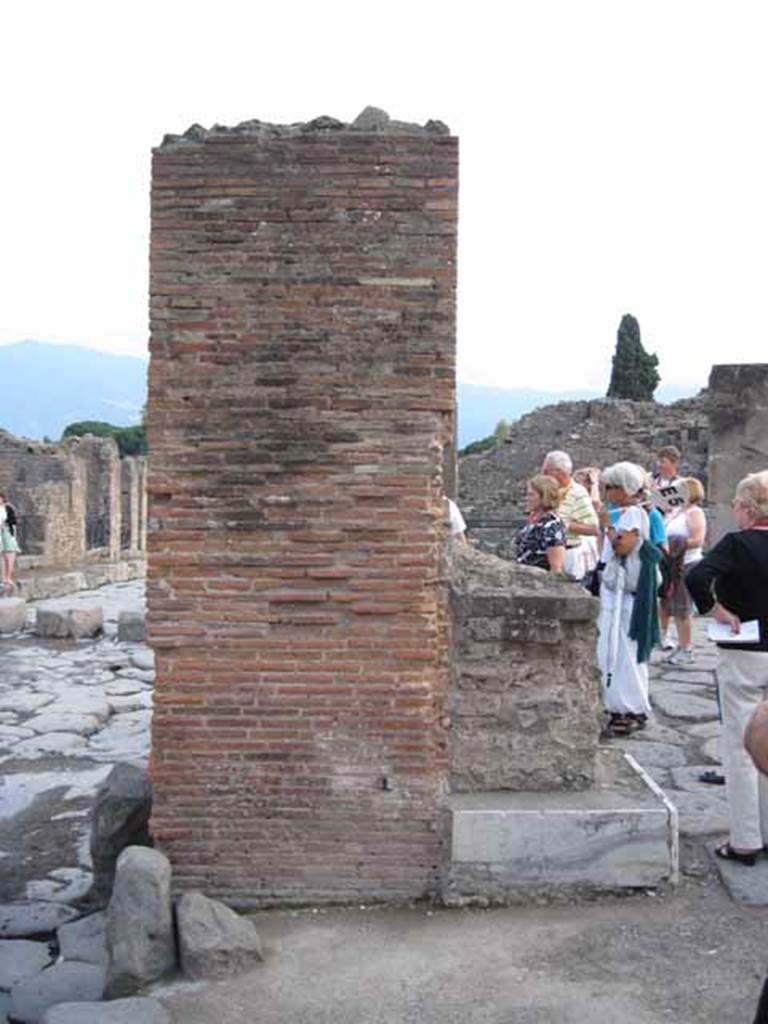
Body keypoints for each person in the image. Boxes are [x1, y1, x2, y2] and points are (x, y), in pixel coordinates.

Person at [686, 470, 768, 865]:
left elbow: (697, 573)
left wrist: (715, 608)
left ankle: (746, 839)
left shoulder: (739, 544)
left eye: (736, 505)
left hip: (746, 651)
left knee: (740, 744)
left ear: (750, 509)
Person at [596, 462, 661, 736]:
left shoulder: (633, 513)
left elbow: (624, 546)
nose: (607, 492)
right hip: (618, 593)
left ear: (624, 488)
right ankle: (619, 704)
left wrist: (608, 527)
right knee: (618, 651)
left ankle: (630, 707)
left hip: (625, 595)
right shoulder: (633, 511)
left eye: (611, 487)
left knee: (625, 653)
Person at [659, 477, 707, 662]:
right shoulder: (677, 512)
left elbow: (698, 540)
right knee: (673, 605)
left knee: (682, 608)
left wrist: (673, 544)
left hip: (687, 564)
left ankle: (686, 647)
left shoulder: (694, 513)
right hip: (673, 564)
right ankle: (680, 644)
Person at [541, 451, 599, 580]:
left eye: (546, 471)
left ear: (560, 473)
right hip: (545, 557)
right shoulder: (548, 492)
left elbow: (594, 529)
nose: (543, 475)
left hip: (567, 557)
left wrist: (562, 524)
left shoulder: (578, 493)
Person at [514, 475, 566, 572]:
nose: (527, 498)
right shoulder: (534, 520)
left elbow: (556, 567)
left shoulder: (552, 525)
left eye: (531, 495)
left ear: (544, 496)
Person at [0, 491, 21, 595]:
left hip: (7, 532)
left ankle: (8, 577)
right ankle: (3, 578)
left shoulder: (8, 508)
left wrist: (5, 523)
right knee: (1, 557)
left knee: (10, 555)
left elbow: (14, 521)